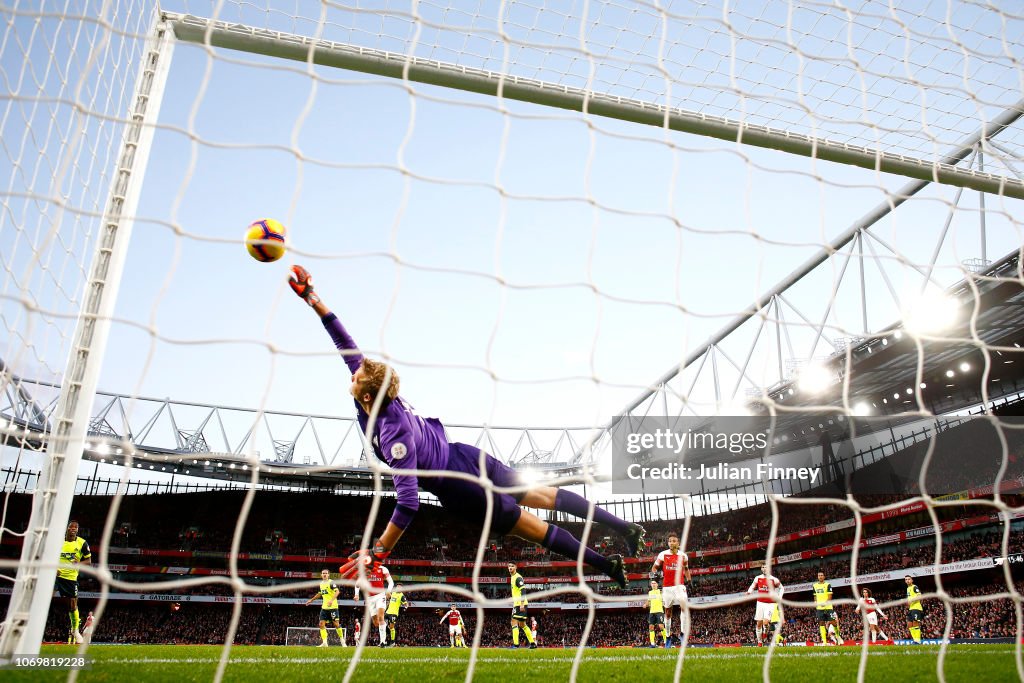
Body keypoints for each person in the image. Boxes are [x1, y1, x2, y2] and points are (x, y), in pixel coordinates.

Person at [289, 265, 644, 588]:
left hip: (462, 489)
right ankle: (622, 527)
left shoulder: (392, 434)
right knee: (545, 495)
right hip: (467, 456)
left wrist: (379, 551)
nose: (353, 372)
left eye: (358, 375)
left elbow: (408, 502)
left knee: (533, 527)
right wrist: (313, 299)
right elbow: (344, 343)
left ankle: (606, 564)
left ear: (367, 395)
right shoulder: (379, 394)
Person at [651, 533, 690, 647]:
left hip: (680, 586)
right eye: (670, 541)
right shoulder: (663, 555)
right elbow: (654, 567)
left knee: (684, 607)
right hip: (667, 587)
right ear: (668, 543)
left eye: (674, 541)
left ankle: (682, 634)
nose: (672, 543)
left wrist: (689, 580)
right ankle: (668, 637)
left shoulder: (683, 556)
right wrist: (655, 575)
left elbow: (686, 569)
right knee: (668, 613)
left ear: (678, 543)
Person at [55, 520, 91, 644]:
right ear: (67, 528)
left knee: (72, 605)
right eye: (71, 527)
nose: (73, 529)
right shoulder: (57, 540)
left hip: (70, 578)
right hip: (54, 576)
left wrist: (79, 564)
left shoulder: (82, 543)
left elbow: (88, 561)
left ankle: (75, 630)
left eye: (76, 527)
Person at [352, 561, 393, 646]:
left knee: (381, 617)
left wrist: (388, 591)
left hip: (380, 595)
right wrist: (356, 595)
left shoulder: (383, 569)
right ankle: (386, 628)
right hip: (369, 599)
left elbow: (391, 582)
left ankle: (382, 642)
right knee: (375, 622)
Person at [304, 569, 344, 647]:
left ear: (328, 575)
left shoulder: (331, 582)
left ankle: (342, 641)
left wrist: (331, 600)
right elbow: (320, 594)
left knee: (336, 624)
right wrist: (311, 600)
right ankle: (325, 643)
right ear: (321, 575)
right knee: (321, 624)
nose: (324, 574)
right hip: (324, 607)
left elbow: (337, 591)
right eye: (323, 573)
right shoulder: (321, 584)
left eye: (326, 573)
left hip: (333, 607)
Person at [746, 565, 783, 647]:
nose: (764, 568)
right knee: (759, 623)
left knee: (765, 622)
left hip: (770, 604)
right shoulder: (757, 578)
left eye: (766, 567)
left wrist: (779, 597)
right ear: (761, 569)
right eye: (762, 567)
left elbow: (782, 588)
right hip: (760, 603)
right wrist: (749, 592)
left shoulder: (774, 579)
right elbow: (753, 586)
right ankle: (759, 642)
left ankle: (765, 634)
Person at [508, 563, 537, 649]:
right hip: (519, 603)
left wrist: (521, 603)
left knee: (513, 622)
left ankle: (516, 645)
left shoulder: (518, 577)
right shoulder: (513, 577)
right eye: (509, 566)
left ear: (516, 567)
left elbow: (523, 590)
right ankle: (532, 643)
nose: (510, 567)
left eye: (512, 566)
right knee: (522, 624)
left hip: (519, 604)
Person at [812, 571, 841, 645]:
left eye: (822, 575)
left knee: (833, 622)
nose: (820, 576)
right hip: (819, 608)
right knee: (821, 623)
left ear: (824, 576)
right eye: (819, 575)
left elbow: (830, 596)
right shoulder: (815, 585)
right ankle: (824, 642)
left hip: (828, 607)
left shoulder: (828, 585)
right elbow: (815, 596)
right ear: (817, 577)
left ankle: (838, 636)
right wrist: (815, 602)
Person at [643, 579, 666, 648]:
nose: (653, 584)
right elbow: (648, 600)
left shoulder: (661, 591)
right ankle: (652, 644)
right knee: (651, 627)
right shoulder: (650, 592)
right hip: (652, 612)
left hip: (659, 611)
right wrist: (645, 604)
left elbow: (665, 599)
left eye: (654, 583)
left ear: (657, 584)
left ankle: (666, 642)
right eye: (652, 583)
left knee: (661, 626)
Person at [905, 576, 924, 644]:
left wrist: (912, 601)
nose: (907, 580)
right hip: (911, 608)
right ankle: (915, 640)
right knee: (909, 624)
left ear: (912, 580)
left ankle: (918, 640)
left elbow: (919, 596)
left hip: (916, 607)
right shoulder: (908, 588)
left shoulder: (914, 587)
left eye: (909, 579)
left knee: (915, 623)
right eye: (906, 579)